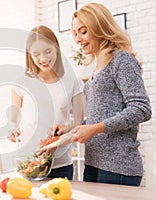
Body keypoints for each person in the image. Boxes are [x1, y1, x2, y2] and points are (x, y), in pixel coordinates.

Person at [41, 3, 152, 186]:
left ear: (100, 27)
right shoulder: (96, 67)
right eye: (75, 33)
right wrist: (68, 130)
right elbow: (97, 120)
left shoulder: (121, 59)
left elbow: (141, 109)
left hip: (119, 167)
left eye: (83, 32)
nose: (78, 39)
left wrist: (95, 128)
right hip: (93, 163)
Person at [8, 25, 84, 180]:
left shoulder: (71, 81)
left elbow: (79, 123)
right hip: (28, 160)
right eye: (36, 54)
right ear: (30, 55)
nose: (42, 59)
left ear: (56, 48)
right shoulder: (21, 82)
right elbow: (13, 118)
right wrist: (11, 128)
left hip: (61, 163)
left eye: (48, 51)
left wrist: (63, 130)